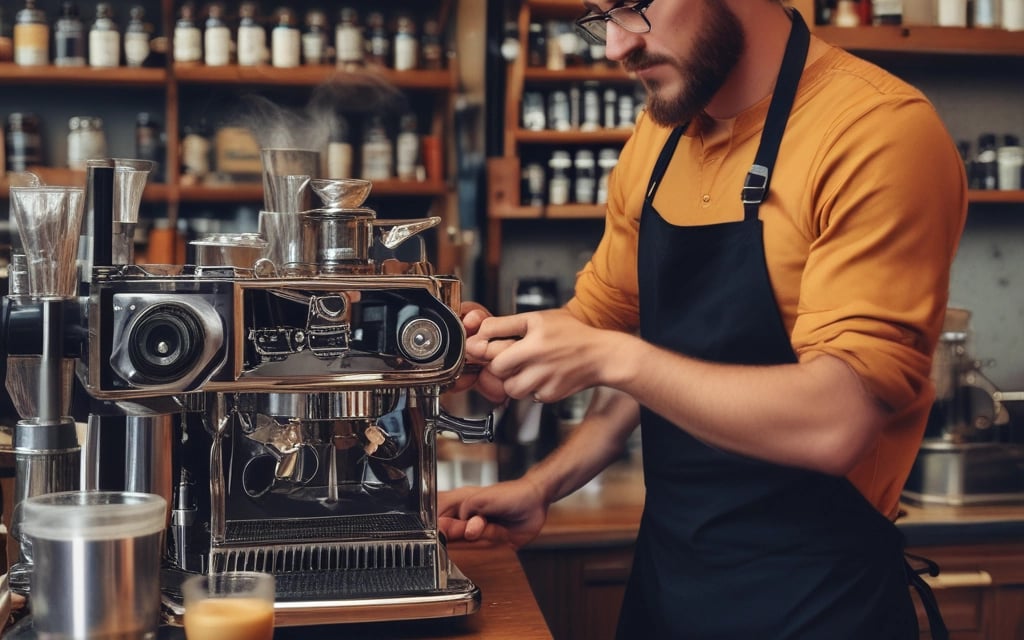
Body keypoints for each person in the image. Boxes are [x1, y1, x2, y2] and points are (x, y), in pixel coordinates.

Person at [441, 0, 967, 638]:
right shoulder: (660, 136)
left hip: (818, 603)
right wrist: (533, 454)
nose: (615, 47)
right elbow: (613, 335)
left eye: (634, 7)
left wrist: (614, 358)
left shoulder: (876, 132)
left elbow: (838, 422)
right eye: (600, 16)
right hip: (669, 588)